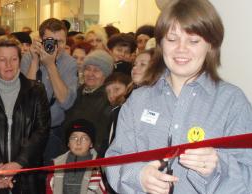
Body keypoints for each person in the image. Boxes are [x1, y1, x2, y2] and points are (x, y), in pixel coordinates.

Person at [105, 0, 252, 193]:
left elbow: (247, 179)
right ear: (160, 44)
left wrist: (218, 167)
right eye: (172, 39)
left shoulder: (232, 102)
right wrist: (138, 176)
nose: (181, 49)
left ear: (211, 45)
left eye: (193, 41)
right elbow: (115, 159)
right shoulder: (138, 100)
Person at [0, 39, 51, 194]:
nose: (8, 65)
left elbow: (41, 131)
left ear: (20, 61)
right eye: (2, 60)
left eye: (14, 59)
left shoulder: (36, 90)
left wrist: (18, 164)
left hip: (27, 174)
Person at [21, 18, 78, 164]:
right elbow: (25, 98)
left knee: (50, 178)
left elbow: (66, 102)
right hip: (28, 130)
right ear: (40, 40)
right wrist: (35, 61)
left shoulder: (69, 63)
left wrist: (50, 65)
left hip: (54, 130)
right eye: (52, 41)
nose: (57, 47)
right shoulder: (28, 57)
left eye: (62, 42)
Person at [63, 50, 113, 157]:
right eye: (87, 69)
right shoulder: (77, 92)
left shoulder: (108, 99)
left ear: (106, 75)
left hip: (90, 156)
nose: (91, 74)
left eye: (96, 70)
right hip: (68, 152)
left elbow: (102, 135)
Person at [46, 119, 107, 194]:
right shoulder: (55, 165)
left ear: (91, 144)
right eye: (74, 138)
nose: (78, 142)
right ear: (68, 143)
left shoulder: (99, 168)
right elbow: (49, 190)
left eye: (84, 138)